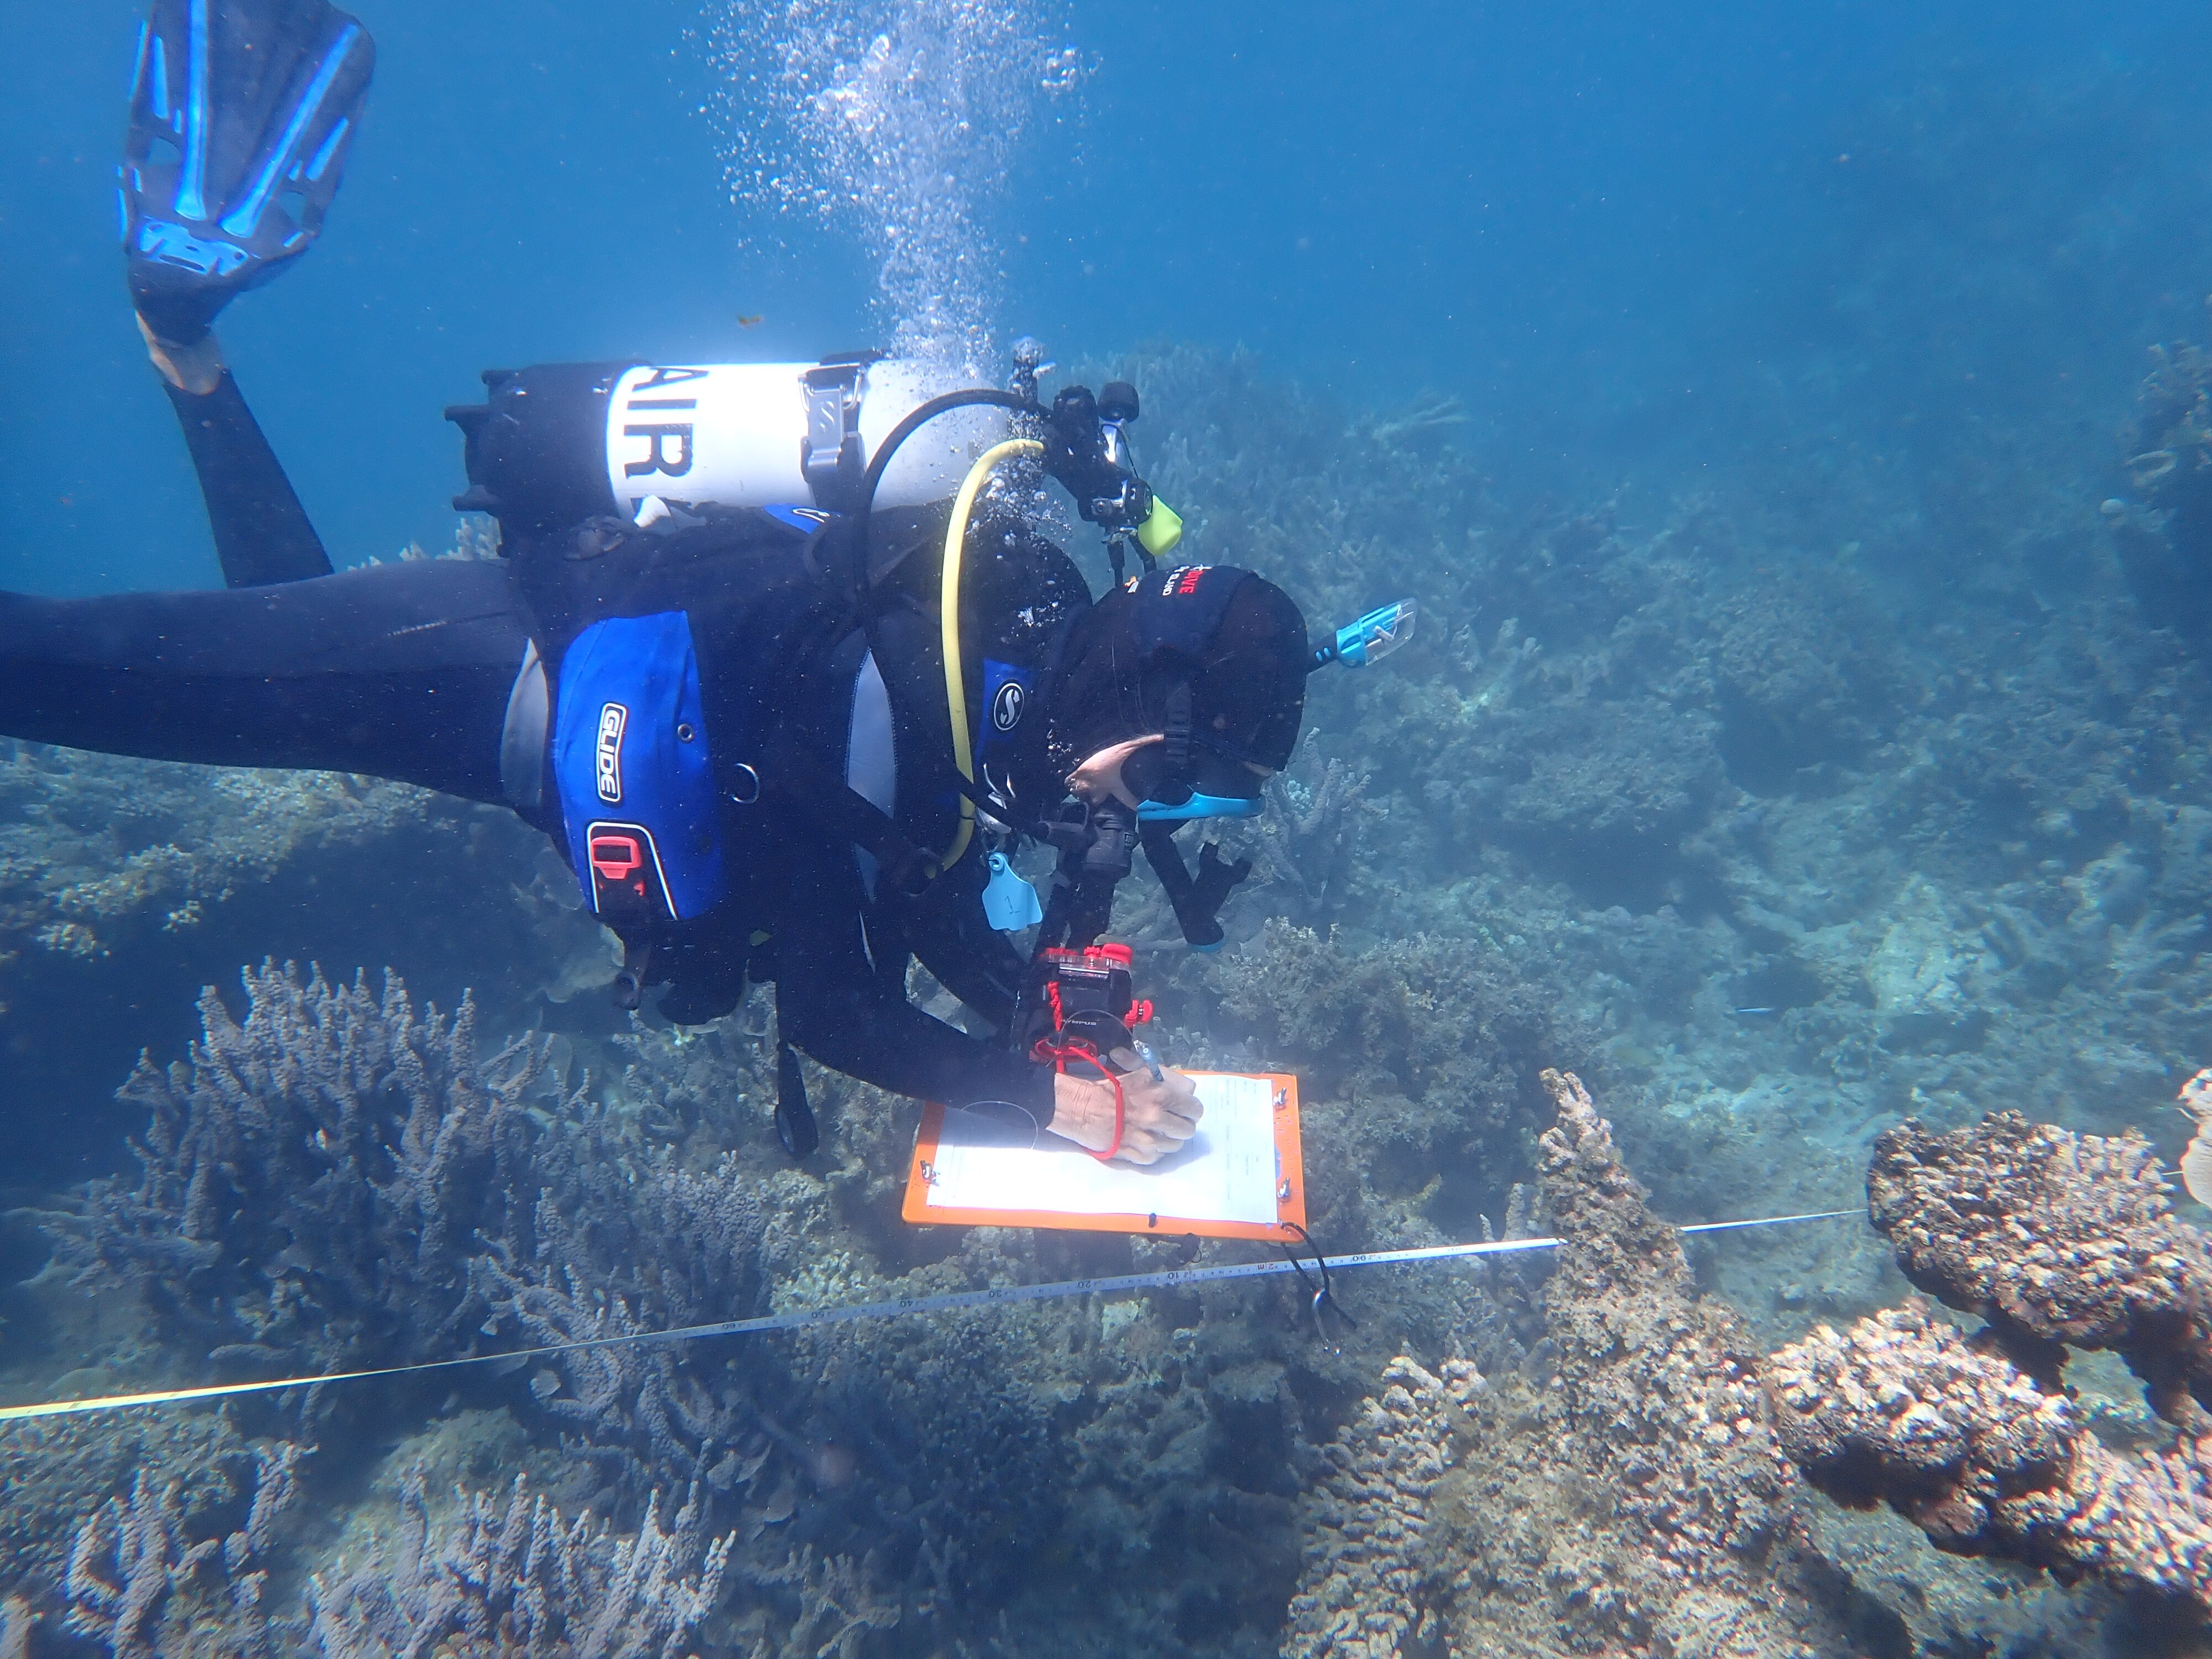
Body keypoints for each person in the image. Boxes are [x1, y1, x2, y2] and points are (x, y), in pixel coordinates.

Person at [7, 0, 1328, 1166]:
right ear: (1136, 714)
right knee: (95, 678)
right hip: (488, 669)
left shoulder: (1009, 654)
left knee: (267, 671)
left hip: (539, 683)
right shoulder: (896, 681)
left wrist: (1047, 1041)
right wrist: (1045, 1106)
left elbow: (911, 881)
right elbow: (831, 1008)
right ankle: (177, 318)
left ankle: (188, 357)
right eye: (1169, 779)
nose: (1141, 820)